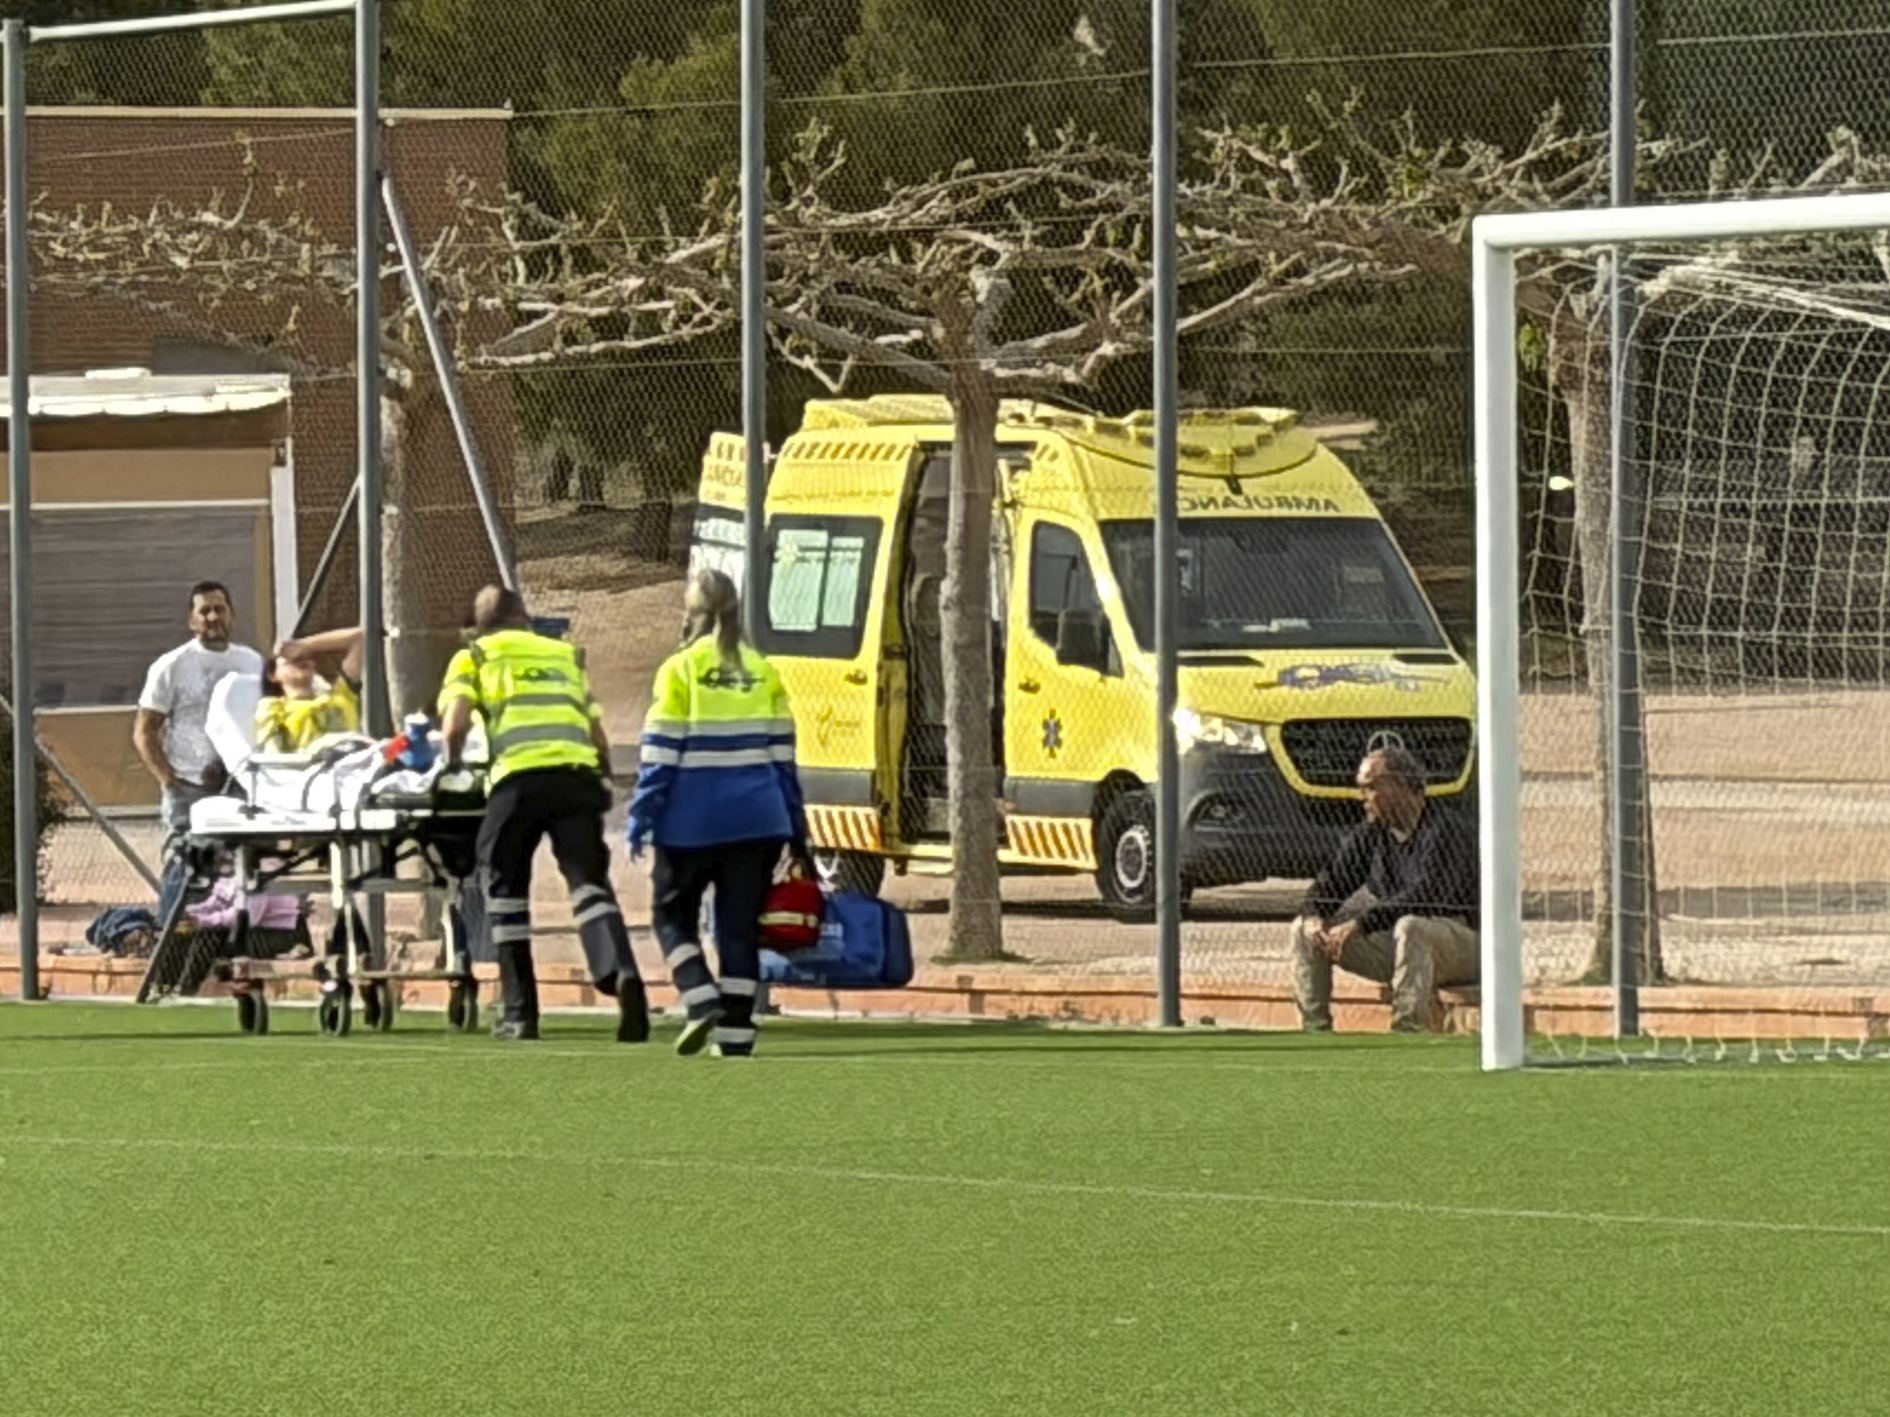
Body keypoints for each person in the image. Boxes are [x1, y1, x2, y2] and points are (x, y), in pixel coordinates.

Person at [438, 585, 647, 1043]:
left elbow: (454, 725)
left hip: (516, 783)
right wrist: (602, 775)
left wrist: (452, 768)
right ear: (522, 615)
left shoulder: (474, 657)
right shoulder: (562, 655)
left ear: (480, 624)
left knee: (505, 893)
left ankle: (519, 1014)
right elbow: (595, 731)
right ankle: (621, 973)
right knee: (589, 884)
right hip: (575, 778)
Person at [628, 568, 808, 1059]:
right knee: (738, 929)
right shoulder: (762, 669)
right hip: (759, 821)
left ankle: (698, 992)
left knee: (670, 916)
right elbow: (783, 760)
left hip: (690, 823)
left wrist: (641, 817)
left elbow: (660, 756)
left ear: (690, 614)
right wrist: (797, 829)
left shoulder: (679, 669)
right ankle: (736, 1036)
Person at [1291, 745, 1479, 1034]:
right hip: (1401, 947)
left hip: (1465, 946)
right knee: (1303, 929)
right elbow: (1329, 884)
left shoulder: (1445, 829)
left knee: (1412, 926)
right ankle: (1314, 1028)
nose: (1362, 797)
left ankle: (1406, 1029)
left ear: (1401, 785)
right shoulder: (1372, 833)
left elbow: (1427, 896)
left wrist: (1361, 923)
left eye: (1371, 787)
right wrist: (1315, 915)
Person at [134, 580, 265, 928]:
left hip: (238, 787)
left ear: (232, 615)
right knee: (184, 869)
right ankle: (173, 941)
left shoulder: (251, 663)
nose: (212, 617)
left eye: (219, 609)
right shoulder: (171, 665)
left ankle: (233, 942)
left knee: (240, 871)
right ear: (192, 620)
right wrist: (168, 779)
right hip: (188, 789)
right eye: (204, 611)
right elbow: (145, 730)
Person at [255, 625, 364, 752]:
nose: (301, 660)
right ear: (272, 674)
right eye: (290, 659)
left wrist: (305, 645)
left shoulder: (342, 695)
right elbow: (274, 754)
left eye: (306, 657)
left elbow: (360, 637)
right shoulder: (273, 707)